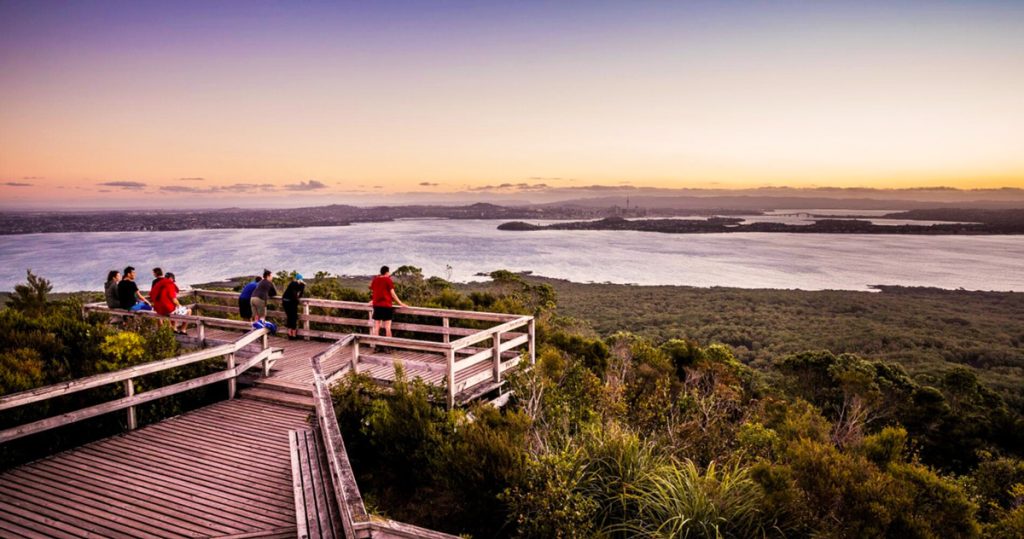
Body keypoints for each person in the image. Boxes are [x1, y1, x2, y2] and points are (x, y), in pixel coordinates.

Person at [368, 265, 406, 339]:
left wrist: (372, 301)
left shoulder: (375, 280)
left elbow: (376, 292)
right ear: (387, 272)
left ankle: (376, 345)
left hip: (377, 306)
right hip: (386, 306)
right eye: (389, 272)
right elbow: (392, 293)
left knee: (376, 328)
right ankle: (388, 346)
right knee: (387, 328)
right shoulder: (387, 280)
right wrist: (400, 303)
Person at [281, 274, 306, 340]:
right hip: (290, 302)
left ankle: (290, 334)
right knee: (293, 317)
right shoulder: (294, 284)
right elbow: (295, 295)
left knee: (290, 317)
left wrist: (302, 287)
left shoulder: (293, 284)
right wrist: (302, 287)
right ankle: (293, 334)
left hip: (285, 301)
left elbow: (299, 295)